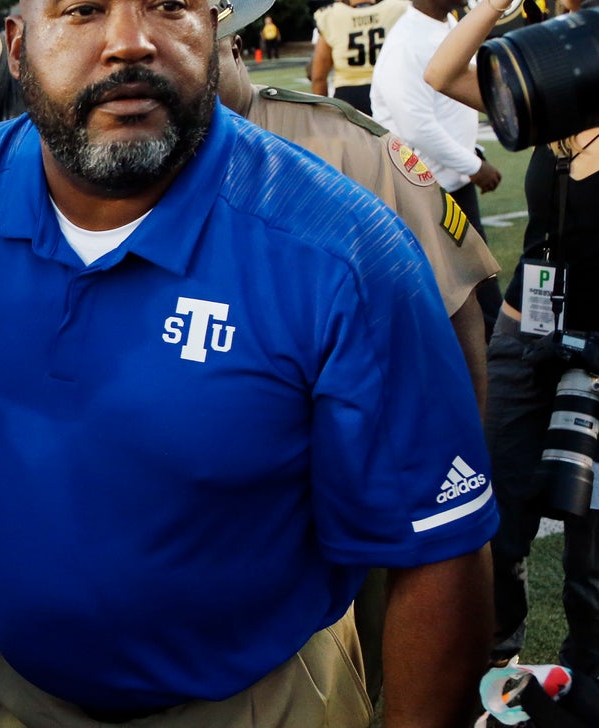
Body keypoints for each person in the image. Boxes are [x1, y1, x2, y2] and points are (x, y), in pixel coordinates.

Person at [0, 0, 500, 723]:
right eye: (83, 9)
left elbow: (440, 549)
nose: (131, 42)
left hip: (261, 698)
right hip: (14, 694)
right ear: (16, 47)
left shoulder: (342, 249)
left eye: (170, 5)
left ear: (214, 27)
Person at [216, 4, 500, 703]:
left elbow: (454, 305)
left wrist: (460, 474)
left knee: (373, 674)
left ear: (221, 25)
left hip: (351, 487)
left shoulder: (340, 142)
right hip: (205, 517)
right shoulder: (96, 162)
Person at [426, 0, 599, 680]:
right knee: (491, 510)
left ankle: (583, 685)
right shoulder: (560, 105)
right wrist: (494, 3)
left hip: (595, 349)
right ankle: (502, 659)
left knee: (588, 547)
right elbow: (443, 72)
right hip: (526, 336)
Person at [371, 0, 504, 341]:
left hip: (449, 182)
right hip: (427, 190)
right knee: (465, 297)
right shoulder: (407, 41)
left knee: (476, 288)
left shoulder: (442, 25)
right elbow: (416, 128)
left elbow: (446, 110)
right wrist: (475, 166)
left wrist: (470, 154)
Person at [310, 0, 409, 115]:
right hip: (389, 90)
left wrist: (322, 114)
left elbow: (318, 77)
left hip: (348, 94)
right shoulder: (398, 8)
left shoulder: (331, 15)